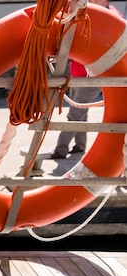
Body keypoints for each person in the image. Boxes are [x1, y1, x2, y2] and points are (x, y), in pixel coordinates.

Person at [49, 0, 123, 159]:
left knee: (75, 113)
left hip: (94, 76)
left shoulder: (112, 17)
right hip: (77, 73)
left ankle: (61, 149)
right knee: (82, 113)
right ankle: (79, 146)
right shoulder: (84, 12)